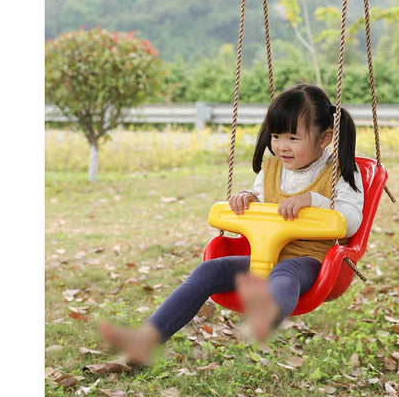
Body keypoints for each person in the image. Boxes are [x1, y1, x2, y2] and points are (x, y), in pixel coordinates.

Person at [99, 84, 364, 364]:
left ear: (324, 139)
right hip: (264, 256)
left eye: (293, 137)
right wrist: (247, 198)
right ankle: (147, 338)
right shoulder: (271, 167)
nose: (281, 146)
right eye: (275, 136)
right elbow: (262, 201)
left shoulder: (339, 171)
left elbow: (350, 220)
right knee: (210, 269)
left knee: (287, 271)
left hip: (313, 260)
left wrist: (312, 200)